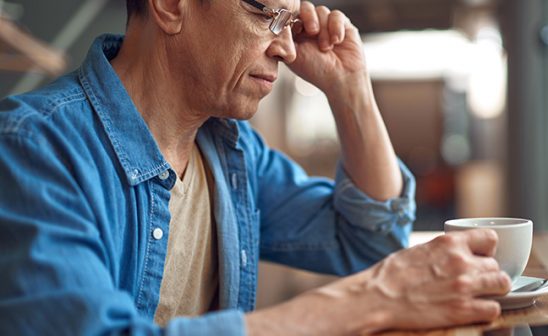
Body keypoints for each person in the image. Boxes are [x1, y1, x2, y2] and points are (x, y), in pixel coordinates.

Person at [0, 0, 511, 334]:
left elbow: (369, 240)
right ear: (171, 6)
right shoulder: (33, 149)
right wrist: (369, 299)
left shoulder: (228, 151)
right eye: (267, 13)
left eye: (291, 23)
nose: (287, 48)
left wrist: (350, 88)